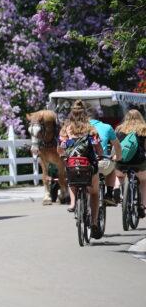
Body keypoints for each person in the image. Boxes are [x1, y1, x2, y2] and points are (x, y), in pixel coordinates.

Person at [58, 100, 104, 238]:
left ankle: (73, 203)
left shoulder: (65, 129)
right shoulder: (91, 129)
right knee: (94, 193)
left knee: (71, 176)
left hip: (72, 165)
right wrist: (100, 156)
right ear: (85, 114)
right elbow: (98, 149)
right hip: (88, 166)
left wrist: (64, 156)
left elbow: (60, 149)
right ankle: (95, 222)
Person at [114, 109, 146, 219]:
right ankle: (142, 205)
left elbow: (116, 146)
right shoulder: (143, 129)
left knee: (118, 174)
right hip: (139, 161)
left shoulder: (119, 129)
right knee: (143, 181)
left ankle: (117, 187)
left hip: (122, 160)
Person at [88, 106, 122, 205]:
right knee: (112, 169)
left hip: (84, 164)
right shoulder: (107, 127)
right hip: (101, 163)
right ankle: (109, 194)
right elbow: (117, 145)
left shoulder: (79, 127)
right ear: (98, 118)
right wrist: (118, 157)